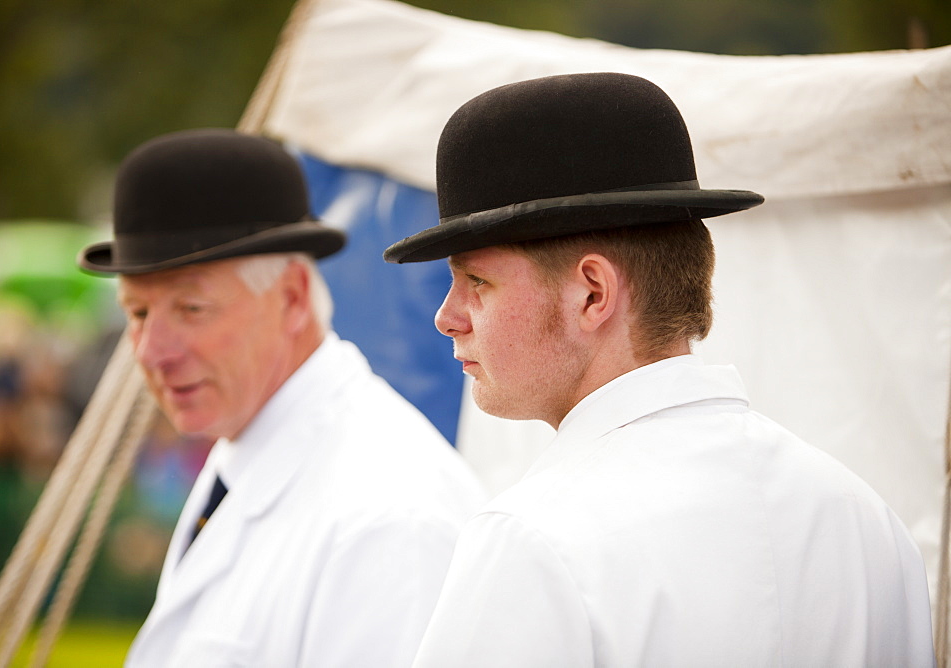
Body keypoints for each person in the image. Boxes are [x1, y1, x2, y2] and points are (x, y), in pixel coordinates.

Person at [383, 72, 935, 667]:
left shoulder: (533, 541)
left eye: (476, 282)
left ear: (592, 294)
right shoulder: (865, 522)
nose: (447, 316)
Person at [78, 128, 487, 666]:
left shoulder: (391, 518)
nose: (152, 351)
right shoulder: (248, 444)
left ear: (292, 296)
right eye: (138, 313)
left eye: (191, 309)